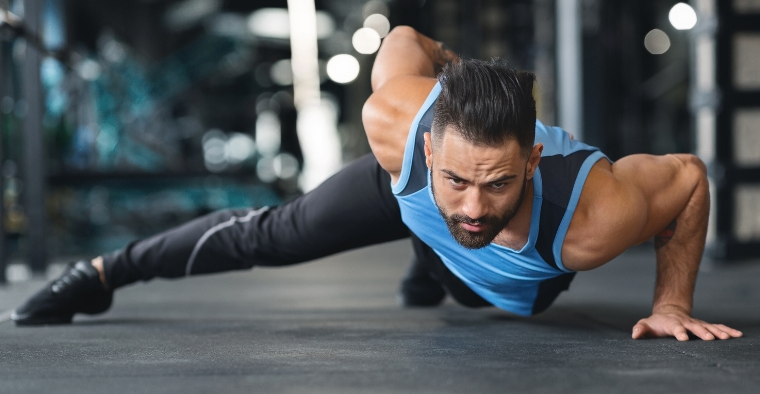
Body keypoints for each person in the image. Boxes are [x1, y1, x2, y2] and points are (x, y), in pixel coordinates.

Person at [12, 26, 742, 342]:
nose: (472, 204)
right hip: (405, 194)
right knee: (275, 232)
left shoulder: (592, 215)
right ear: (426, 143)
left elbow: (688, 177)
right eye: (457, 176)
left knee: (466, 283)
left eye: (497, 183)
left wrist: (672, 301)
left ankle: (431, 264)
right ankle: (105, 272)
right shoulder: (395, 115)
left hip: (509, 281)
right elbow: (407, 39)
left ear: (528, 162)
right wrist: (456, 71)